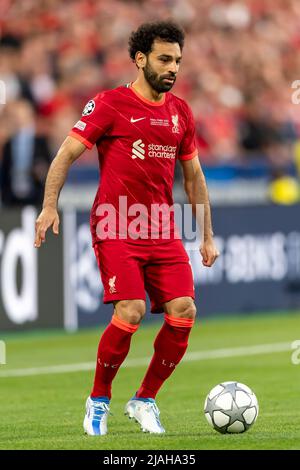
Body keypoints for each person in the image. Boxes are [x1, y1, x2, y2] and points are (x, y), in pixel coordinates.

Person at [34, 21, 219, 436]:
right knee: (131, 309)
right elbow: (64, 155)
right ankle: (98, 401)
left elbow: (193, 177)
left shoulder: (180, 113)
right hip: (116, 224)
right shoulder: (109, 104)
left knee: (184, 310)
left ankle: (145, 400)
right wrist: (50, 207)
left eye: (177, 61)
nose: (173, 68)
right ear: (140, 59)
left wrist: (206, 234)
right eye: (164, 59)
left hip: (162, 227)